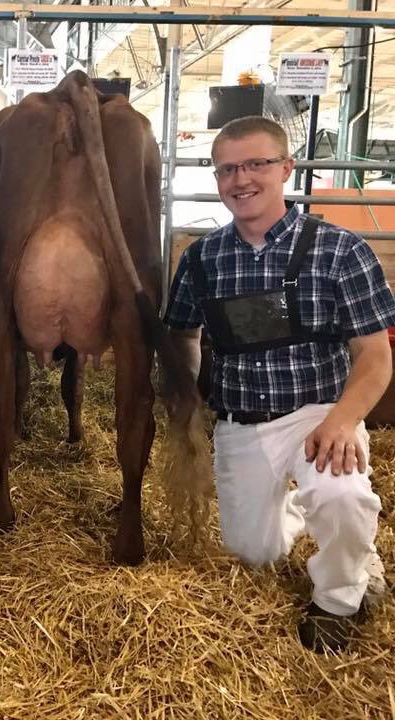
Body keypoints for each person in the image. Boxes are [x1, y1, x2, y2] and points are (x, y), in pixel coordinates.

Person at [164, 116, 395, 653]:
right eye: (227, 169)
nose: (241, 179)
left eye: (256, 164)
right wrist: (189, 404)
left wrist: (343, 420)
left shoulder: (340, 249)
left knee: (341, 494)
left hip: (319, 412)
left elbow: (375, 356)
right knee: (254, 552)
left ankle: (341, 596)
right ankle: (338, 536)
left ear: (286, 168)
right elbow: (182, 337)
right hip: (241, 420)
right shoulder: (201, 259)